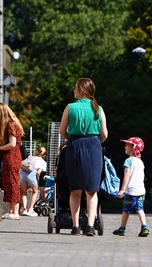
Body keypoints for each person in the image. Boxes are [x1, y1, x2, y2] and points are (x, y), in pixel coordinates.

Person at [58, 78, 108, 236]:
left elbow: (61, 130)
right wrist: (94, 142)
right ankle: (91, 225)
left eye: (75, 88)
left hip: (74, 145)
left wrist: (71, 139)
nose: (73, 90)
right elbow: (105, 134)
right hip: (93, 146)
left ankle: (75, 226)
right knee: (91, 190)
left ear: (81, 90)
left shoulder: (70, 107)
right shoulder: (98, 109)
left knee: (75, 189)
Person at [0, 102, 24, 220]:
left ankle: (15, 211)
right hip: (12, 156)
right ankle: (11, 210)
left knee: (12, 182)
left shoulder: (10, 125)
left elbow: (12, 144)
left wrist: (0, 147)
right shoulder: (13, 124)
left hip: (12, 156)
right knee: (9, 181)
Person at [112, 137, 149, 237]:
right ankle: (144, 226)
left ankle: (122, 228)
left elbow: (127, 175)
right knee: (140, 209)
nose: (125, 147)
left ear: (133, 148)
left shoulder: (128, 161)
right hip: (141, 190)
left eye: (127, 145)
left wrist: (123, 189)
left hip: (131, 191)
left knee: (126, 210)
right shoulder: (140, 162)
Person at [19, 146, 48, 216]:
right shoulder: (43, 162)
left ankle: (24, 209)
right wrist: (36, 179)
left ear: (36, 151)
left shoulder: (30, 157)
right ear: (44, 155)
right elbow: (38, 172)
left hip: (22, 173)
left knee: (23, 192)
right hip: (31, 174)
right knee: (35, 191)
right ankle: (30, 209)